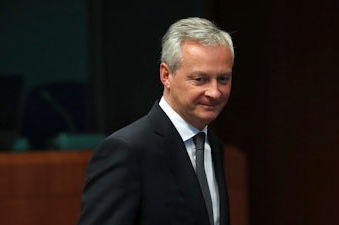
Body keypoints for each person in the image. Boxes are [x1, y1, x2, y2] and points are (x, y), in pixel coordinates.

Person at [76, 17, 235, 225]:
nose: (214, 92)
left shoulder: (212, 146)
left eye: (223, 79)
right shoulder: (127, 150)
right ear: (166, 75)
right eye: (200, 79)